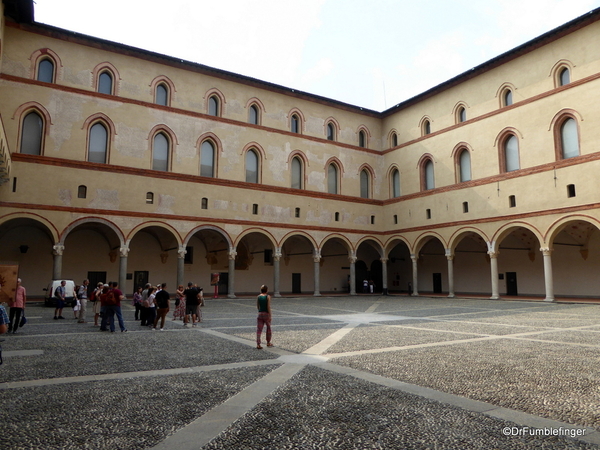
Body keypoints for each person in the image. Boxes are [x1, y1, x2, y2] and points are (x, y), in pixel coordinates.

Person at [256, 284, 273, 349]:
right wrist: (270, 315)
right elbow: (268, 306)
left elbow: (258, 306)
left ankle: (258, 344)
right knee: (268, 328)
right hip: (266, 314)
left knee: (259, 329)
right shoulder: (268, 297)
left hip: (260, 313)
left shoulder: (258, 296)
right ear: (267, 290)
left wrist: (259, 311)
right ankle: (268, 342)